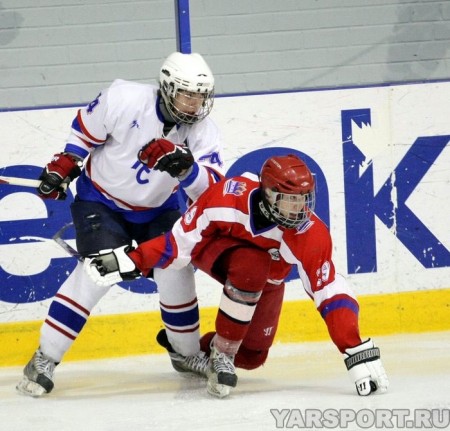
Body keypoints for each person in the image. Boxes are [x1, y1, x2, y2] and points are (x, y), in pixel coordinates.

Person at [84, 154, 389, 399]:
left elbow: (329, 291)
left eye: (304, 200)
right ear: (268, 193)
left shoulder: (310, 234)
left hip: (267, 280)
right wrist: (131, 260)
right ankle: (222, 355)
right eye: (290, 200)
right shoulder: (226, 197)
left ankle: (192, 353)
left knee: (253, 356)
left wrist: (355, 348)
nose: (299, 210)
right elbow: (179, 244)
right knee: (252, 262)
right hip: (214, 251)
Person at [16, 52, 225, 397]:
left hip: (159, 209)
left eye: (201, 96)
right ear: (168, 89)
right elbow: (85, 131)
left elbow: (212, 191)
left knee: (177, 267)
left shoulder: (204, 131)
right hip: (101, 201)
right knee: (100, 270)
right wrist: (68, 160)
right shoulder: (124, 98)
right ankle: (44, 358)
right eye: (188, 95)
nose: (195, 104)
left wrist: (185, 168)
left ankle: (186, 355)